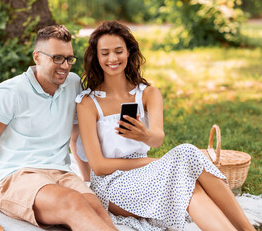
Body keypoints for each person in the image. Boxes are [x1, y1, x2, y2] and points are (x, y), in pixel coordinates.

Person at [0, 25, 117, 231]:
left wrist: (87, 180)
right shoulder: (9, 92)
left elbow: (75, 136)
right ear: (37, 57)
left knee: (97, 210)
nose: (64, 65)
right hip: (17, 176)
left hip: (61, 172)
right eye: (57, 58)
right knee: (74, 202)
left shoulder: (73, 84)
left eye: (69, 58)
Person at [75, 21, 256, 231]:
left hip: (149, 171)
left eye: (118, 51)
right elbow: (99, 166)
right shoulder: (87, 102)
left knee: (187, 185)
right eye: (105, 53)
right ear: (96, 57)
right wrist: (154, 162)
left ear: (129, 53)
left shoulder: (149, 93)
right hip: (112, 184)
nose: (113, 58)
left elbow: (157, 138)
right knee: (186, 161)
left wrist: (144, 135)